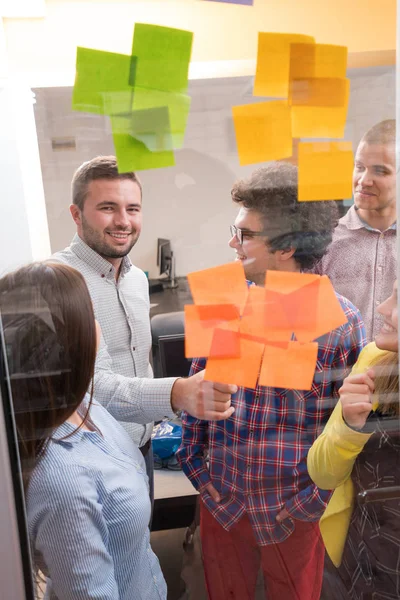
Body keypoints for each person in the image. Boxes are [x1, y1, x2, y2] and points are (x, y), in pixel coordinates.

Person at [177, 162, 366, 600]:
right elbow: (197, 396)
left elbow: (342, 434)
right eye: (235, 229)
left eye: (246, 234)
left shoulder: (338, 323)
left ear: (286, 247)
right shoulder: (224, 297)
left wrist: (307, 506)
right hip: (222, 499)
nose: (232, 242)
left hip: (292, 511)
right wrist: (199, 474)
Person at [53, 156, 237, 500]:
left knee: (139, 543)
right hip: (92, 455)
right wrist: (178, 392)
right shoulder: (60, 283)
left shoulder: (137, 279)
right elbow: (89, 387)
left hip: (142, 445)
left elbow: (136, 362)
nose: (123, 221)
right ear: (76, 214)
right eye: (108, 207)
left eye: (133, 208)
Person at [0, 261, 167, 599]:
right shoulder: (65, 480)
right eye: (92, 315)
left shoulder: (81, 403)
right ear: (72, 340)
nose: (99, 326)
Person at [307, 280, 400, 599]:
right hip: (359, 563)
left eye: (397, 299)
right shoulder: (375, 361)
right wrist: (348, 424)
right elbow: (321, 472)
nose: (381, 307)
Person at [315, 119, 396, 342]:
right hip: (339, 376)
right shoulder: (324, 243)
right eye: (359, 167)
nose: (363, 180)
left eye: (380, 171)